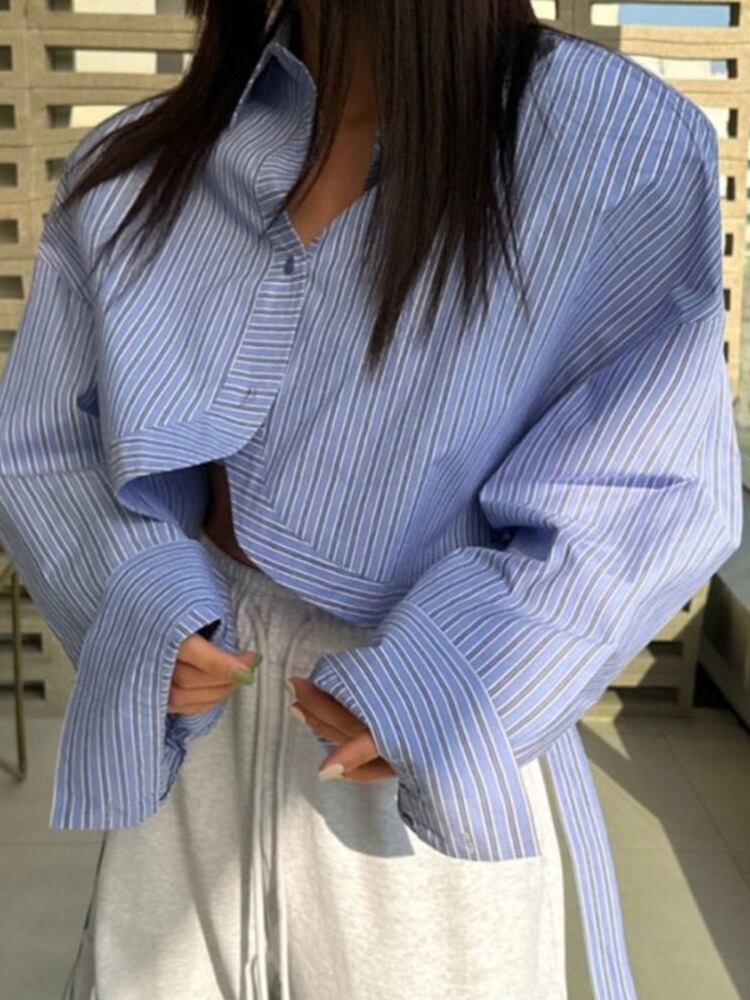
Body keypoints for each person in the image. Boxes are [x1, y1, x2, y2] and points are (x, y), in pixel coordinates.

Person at [0, 1, 741, 998]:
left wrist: (458, 678)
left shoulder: (615, 144)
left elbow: (648, 480)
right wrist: (134, 594)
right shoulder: (136, 165)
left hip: (416, 740)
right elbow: (48, 440)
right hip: (193, 722)